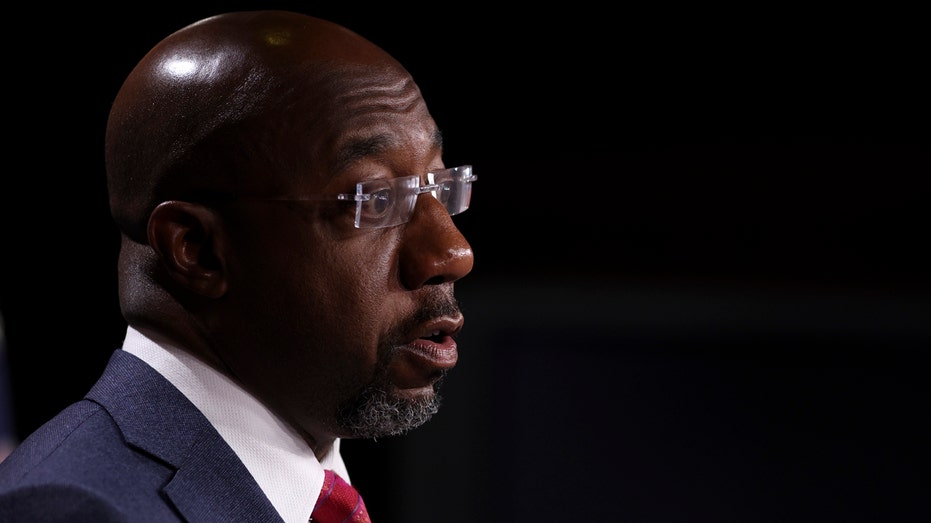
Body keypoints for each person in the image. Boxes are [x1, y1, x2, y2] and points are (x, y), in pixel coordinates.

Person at [0, 10, 475, 522]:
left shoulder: (311, 492)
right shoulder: (75, 510)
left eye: (440, 187)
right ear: (198, 249)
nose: (453, 253)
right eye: (377, 199)